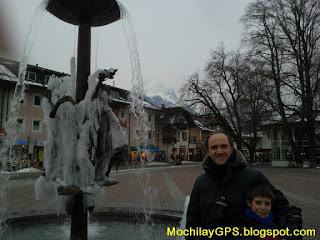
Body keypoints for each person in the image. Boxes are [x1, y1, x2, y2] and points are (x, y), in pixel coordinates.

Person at [186, 132, 289, 239]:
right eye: (214, 147)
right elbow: (192, 220)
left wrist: (290, 228)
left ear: (232, 148)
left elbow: (280, 205)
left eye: (224, 146)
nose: (219, 151)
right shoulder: (201, 182)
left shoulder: (253, 177)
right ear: (208, 151)